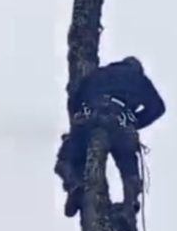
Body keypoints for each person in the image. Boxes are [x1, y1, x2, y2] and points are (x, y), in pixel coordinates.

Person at [55, 57, 165, 218]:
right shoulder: (139, 78)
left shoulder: (98, 74)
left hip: (92, 116)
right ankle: (130, 201)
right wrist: (135, 122)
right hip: (120, 119)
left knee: (67, 157)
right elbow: (158, 107)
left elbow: (75, 99)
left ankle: (74, 183)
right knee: (127, 161)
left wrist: (76, 123)